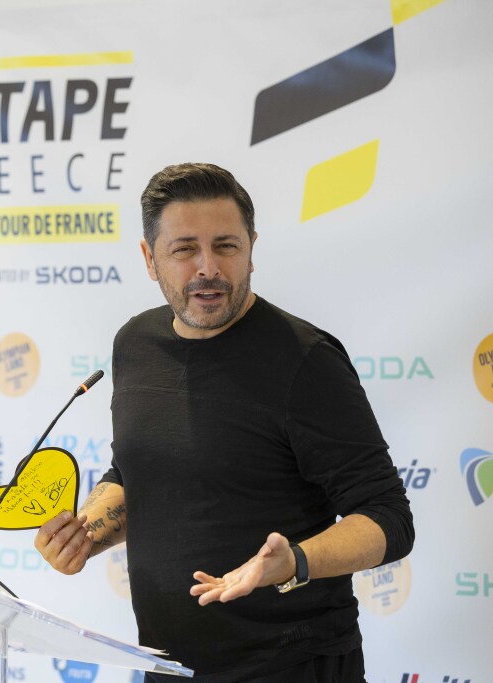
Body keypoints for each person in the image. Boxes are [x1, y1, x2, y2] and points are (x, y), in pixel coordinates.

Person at [34, 163, 413, 682]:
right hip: (168, 665)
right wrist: (85, 534)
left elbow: (389, 516)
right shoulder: (135, 345)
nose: (208, 268)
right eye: (185, 249)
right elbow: (138, 475)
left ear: (251, 249)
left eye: (226, 246)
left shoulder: (306, 360)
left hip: (292, 667)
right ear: (149, 258)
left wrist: (294, 561)